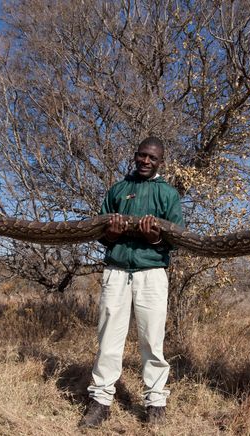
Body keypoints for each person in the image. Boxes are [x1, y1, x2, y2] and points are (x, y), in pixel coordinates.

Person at [78, 136, 185, 429]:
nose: (146, 161)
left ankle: (155, 404)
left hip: (152, 274)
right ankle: (100, 401)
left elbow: (176, 239)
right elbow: (100, 233)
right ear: (135, 156)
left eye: (152, 158)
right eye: (142, 156)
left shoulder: (168, 194)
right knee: (108, 340)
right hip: (117, 272)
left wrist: (155, 237)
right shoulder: (118, 189)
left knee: (152, 341)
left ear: (161, 162)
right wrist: (111, 233)